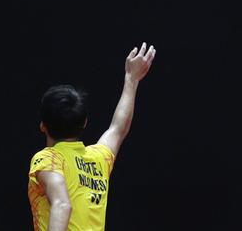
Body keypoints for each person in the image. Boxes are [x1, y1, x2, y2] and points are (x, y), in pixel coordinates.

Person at [28, 43, 156, 231]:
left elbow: (62, 204)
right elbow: (118, 128)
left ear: (43, 126)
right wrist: (132, 79)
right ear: (85, 122)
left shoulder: (47, 159)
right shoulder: (98, 159)